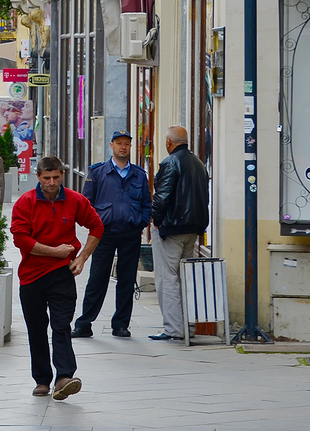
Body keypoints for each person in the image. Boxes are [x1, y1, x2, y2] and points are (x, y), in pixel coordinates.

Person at [11, 155, 103, 400]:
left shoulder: (74, 200)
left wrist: (81, 258)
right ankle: (42, 379)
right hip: (31, 276)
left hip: (63, 273)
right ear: (38, 177)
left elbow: (97, 226)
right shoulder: (25, 203)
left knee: (61, 326)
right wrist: (54, 251)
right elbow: (21, 239)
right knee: (36, 328)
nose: (51, 182)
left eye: (56, 177)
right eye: (46, 178)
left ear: (62, 175)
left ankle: (64, 376)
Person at [73, 130, 151, 339]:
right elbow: (86, 203)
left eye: (126, 143)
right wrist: (94, 225)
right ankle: (84, 323)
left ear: (130, 147)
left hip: (130, 234)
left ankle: (121, 325)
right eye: (119, 143)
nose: (122, 147)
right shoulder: (98, 173)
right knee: (97, 279)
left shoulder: (139, 175)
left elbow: (146, 203)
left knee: (126, 280)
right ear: (111, 145)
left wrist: (140, 223)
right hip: (104, 234)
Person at [150, 125, 211, 342]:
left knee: (168, 278)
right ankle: (189, 326)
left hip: (172, 228)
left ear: (168, 142)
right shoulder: (198, 163)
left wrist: (156, 220)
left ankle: (174, 328)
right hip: (193, 229)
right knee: (186, 278)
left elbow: (162, 196)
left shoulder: (170, 162)